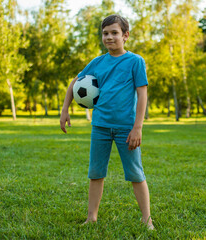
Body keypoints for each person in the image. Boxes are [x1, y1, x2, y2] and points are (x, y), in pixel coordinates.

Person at [60, 14, 153, 230]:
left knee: (135, 173)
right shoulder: (97, 62)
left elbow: (142, 95)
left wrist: (137, 127)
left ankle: (147, 219)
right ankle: (92, 217)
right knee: (96, 172)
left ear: (125, 35)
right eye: (105, 33)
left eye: (114, 33)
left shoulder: (135, 61)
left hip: (126, 129)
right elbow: (75, 83)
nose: (109, 37)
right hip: (100, 127)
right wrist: (65, 109)